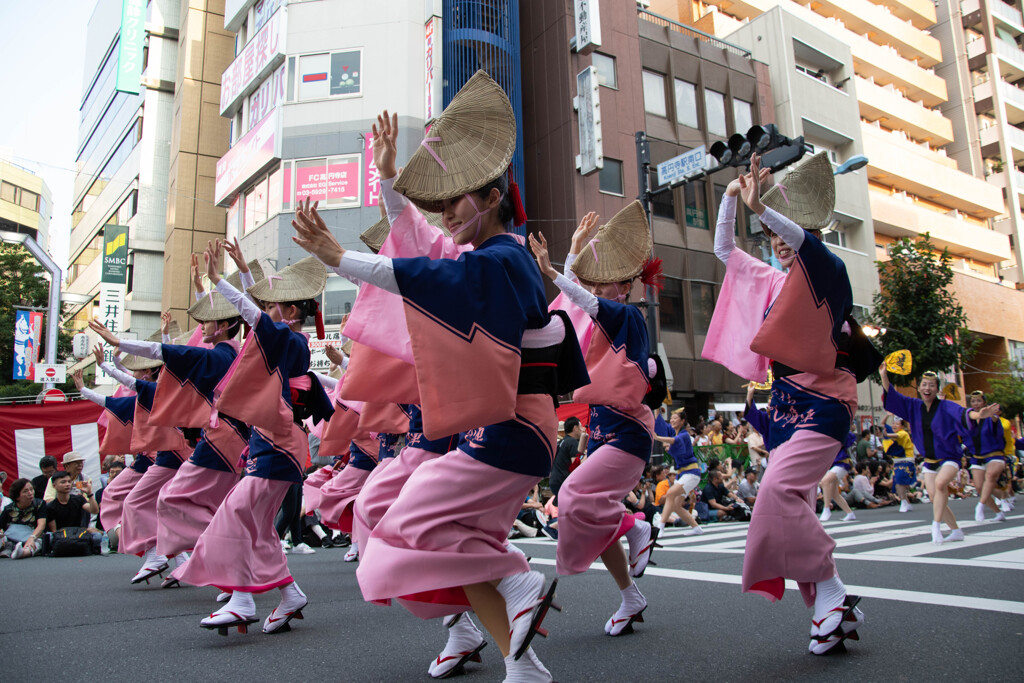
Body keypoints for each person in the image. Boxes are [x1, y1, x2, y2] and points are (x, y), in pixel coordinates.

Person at [292, 72, 588, 681]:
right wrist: (386, 181)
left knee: (405, 524)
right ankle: (522, 664)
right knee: (449, 548)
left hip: (509, 435)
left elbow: (432, 275)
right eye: (443, 202)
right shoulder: (492, 257)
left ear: (494, 195)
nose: (447, 213)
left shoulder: (503, 258)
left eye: (456, 200)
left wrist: (340, 258)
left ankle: (517, 577)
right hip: (506, 435)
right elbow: (424, 251)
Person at [704, 152, 872, 654]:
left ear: (803, 229)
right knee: (787, 505)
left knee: (778, 492)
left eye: (785, 230)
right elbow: (723, 251)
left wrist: (762, 209)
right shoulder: (775, 281)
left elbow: (799, 240)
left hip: (825, 402)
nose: (777, 241)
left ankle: (834, 596)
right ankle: (829, 611)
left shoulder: (827, 267)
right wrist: (731, 200)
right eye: (773, 235)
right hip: (786, 405)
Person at [178, 244, 333, 636]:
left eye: (274, 304)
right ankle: (289, 593)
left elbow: (255, 316)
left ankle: (242, 596)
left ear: (291, 312)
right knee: (258, 527)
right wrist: (243, 274)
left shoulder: (287, 339)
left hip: (277, 442)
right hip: (275, 440)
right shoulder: (286, 338)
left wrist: (218, 282)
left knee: (234, 516)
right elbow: (260, 315)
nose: (264, 308)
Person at [530, 201, 664, 638]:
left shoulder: (627, 315)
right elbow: (575, 299)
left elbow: (581, 297)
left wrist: (553, 269)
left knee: (572, 497)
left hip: (629, 434)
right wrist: (570, 253)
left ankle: (637, 525)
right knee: (588, 510)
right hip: (608, 434)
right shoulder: (601, 319)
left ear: (624, 287)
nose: (596, 287)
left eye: (606, 282)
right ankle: (631, 596)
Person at [880, 368, 998, 543]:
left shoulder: (946, 406)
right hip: (929, 460)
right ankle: (956, 531)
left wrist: (979, 414)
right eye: (924, 385)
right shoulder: (913, 406)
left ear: (937, 389)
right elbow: (893, 396)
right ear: (919, 388)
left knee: (941, 483)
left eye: (932, 385)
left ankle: (935, 526)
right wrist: (883, 375)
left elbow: (964, 414)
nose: (928, 388)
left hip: (950, 458)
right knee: (935, 497)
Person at [653, 408, 703, 535]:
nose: (672, 420)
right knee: (675, 504)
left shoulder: (684, 434)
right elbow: (660, 425)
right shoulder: (672, 432)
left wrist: (658, 438)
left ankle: (661, 527)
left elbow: (675, 441)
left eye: (675, 418)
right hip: (682, 474)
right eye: (671, 418)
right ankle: (696, 528)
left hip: (691, 473)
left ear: (682, 421)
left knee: (670, 494)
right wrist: (657, 409)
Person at [963, 391, 1008, 523]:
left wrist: (991, 414)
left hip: (994, 454)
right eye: (973, 401)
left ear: (984, 402)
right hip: (977, 456)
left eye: (978, 401)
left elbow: (995, 420)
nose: (976, 404)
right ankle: (998, 512)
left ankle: (980, 505)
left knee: (990, 477)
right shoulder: (969, 419)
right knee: (979, 487)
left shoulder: (992, 417)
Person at [1, 478, 48, 559]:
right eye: (25, 491)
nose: (30, 493)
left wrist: (32, 538)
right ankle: (9, 550)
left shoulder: (40, 504)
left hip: (34, 536)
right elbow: (1, 528)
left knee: (38, 542)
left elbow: (41, 525)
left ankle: (23, 553)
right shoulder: (8, 509)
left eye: (31, 489)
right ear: (17, 496)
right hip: (11, 538)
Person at [819, 432, 857, 522]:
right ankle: (850, 513)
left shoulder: (844, 433)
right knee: (834, 493)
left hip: (842, 463)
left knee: (825, 481)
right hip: (834, 464)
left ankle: (826, 509)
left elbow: (851, 441)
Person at [46, 471, 99, 536]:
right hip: (61, 537)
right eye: (63, 482)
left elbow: (94, 511)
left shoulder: (79, 499)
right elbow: (54, 531)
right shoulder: (51, 506)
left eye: (69, 481)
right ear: (54, 485)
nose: (67, 484)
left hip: (78, 534)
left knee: (97, 536)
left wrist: (89, 494)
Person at [882, 414, 917, 512]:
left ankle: (903, 502)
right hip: (897, 462)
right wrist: (887, 415)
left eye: (897, 424)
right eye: (893, 423)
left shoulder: (903, 433)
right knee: (898, 483)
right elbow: (883, 423)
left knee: (900, 481)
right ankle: (906, 502)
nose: (894, 425)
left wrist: (887, 435)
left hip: (906, 461)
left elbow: (896, 435)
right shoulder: (893, 431)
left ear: (902, 426)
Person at [549, 417, 582, 500]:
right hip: (564, 481)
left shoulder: (561, 442)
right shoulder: (573, 442)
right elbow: (576, 465)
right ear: (575, 428)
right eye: (580, 427)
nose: (582, 430)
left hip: (555, 480)